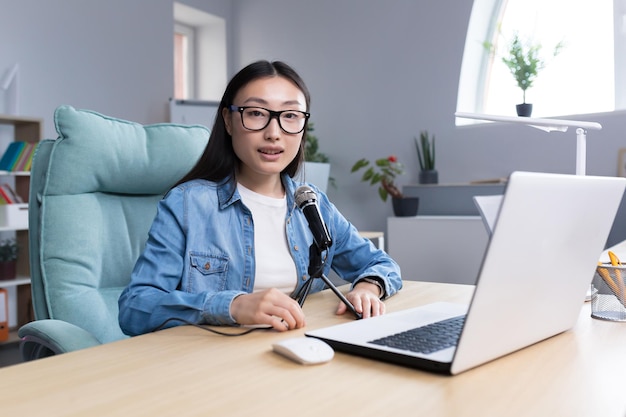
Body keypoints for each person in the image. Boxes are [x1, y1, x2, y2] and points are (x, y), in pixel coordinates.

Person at [118, 60, 402, 336]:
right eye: (256, 113)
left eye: (290, 116)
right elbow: (136, 307)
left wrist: (368, 287)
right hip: (212, 366)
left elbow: (380, 264)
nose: (274, 133)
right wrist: (232, 305)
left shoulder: (311, 205)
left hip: (296, 352)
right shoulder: (188, 205)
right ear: (229, 120)